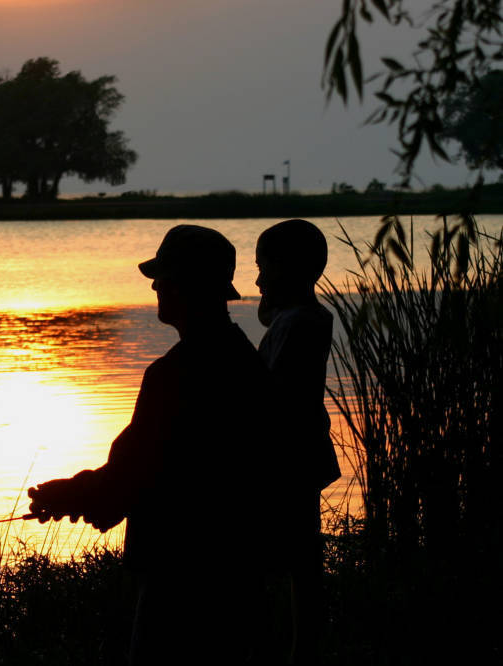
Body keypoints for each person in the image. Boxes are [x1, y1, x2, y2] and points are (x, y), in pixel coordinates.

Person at [27, 225, 281, 665]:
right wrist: (80, 494)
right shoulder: (245, 361)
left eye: (164, 276)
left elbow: (133, 476)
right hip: (240, 571)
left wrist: (68, 494)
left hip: (178, 576)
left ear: (188, 286)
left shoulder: (172, 374)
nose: (155, 285)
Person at [255, 219, 341, 665]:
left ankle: (299, 650)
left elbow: (273, 394)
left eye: (263, 268)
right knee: (302, 560)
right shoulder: (303, 317)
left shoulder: (298, 322)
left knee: (295, 564)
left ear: (286, 269)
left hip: (289, 460)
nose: (257, 280)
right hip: (302, 456)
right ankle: (301, 647)